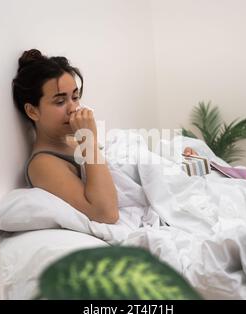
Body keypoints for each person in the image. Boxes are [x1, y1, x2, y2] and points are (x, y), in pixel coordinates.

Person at [12, 49, 197, 224]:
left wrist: (172, 162)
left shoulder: (71, 138)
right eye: (60, 101)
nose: (73, 108)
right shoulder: (42, 164)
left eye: (75, 97)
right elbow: (106, 213)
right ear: (33, 111)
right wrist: (88, 140)